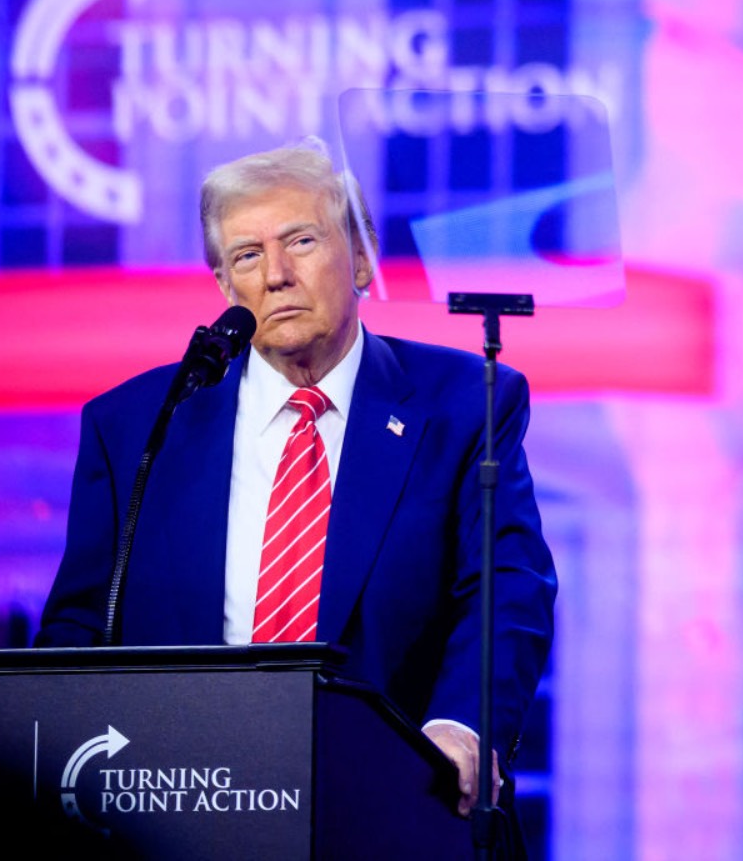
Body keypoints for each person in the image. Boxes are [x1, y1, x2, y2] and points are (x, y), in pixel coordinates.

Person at [36, 138, 556, 839]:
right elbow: (77, 629)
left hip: (397, 808)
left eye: (301, 241)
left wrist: (463, 726)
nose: (276, 275)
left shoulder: (464, 403)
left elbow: (507, 588)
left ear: (362, 258)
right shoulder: (137, 425)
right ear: (226, 287)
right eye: (247, 256)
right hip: (181, 813)